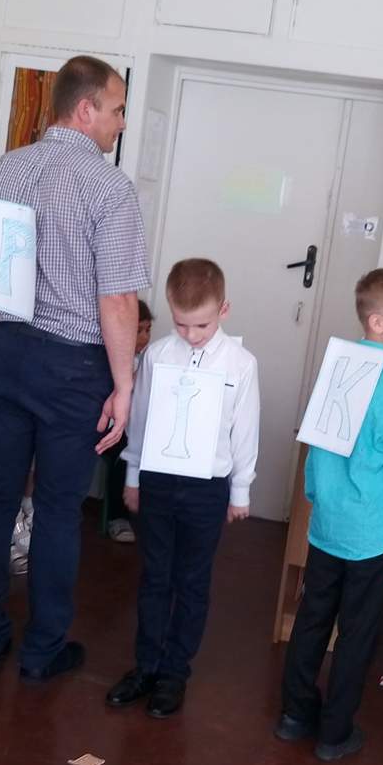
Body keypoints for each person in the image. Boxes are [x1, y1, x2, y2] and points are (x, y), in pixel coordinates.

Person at [0, 55, 149, 681]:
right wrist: (124, 386)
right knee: (59, 509)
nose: (122, 122)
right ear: (86, 108)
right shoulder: (108, 187)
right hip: (74, 366)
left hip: (6, 352)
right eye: (117, 109)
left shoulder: (3, 171)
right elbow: (117, 299)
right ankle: (42, 652)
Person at [276, 269, 383, 760]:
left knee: (312, 620)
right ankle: (334, 733)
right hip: (373, 534)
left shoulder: (335, 370)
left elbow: (316, 451)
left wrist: (318, 498)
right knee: (357, 633)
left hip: (326, 528)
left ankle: (294, 715)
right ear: (378, 322)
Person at [106, 264, 258, 717]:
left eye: (202, 325)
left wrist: (240, 490)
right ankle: (146, 666)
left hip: (208, 488)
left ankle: (174, 673)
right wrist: (133, 477)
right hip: (158, 480)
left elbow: (245, 429)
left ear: (224, 310)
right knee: (155, 576)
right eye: (181, 324)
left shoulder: (241, 364)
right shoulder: (157, 355)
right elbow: (141, 419)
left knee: (191, 580)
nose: (191, 335)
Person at [103, 298, 152, 544]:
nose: (144, 337)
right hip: (109, 428)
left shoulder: (146, 360)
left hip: (134, 428)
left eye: (147, 330)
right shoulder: (110, 359)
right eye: (138, 330)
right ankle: (117, 517)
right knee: (123, 454)